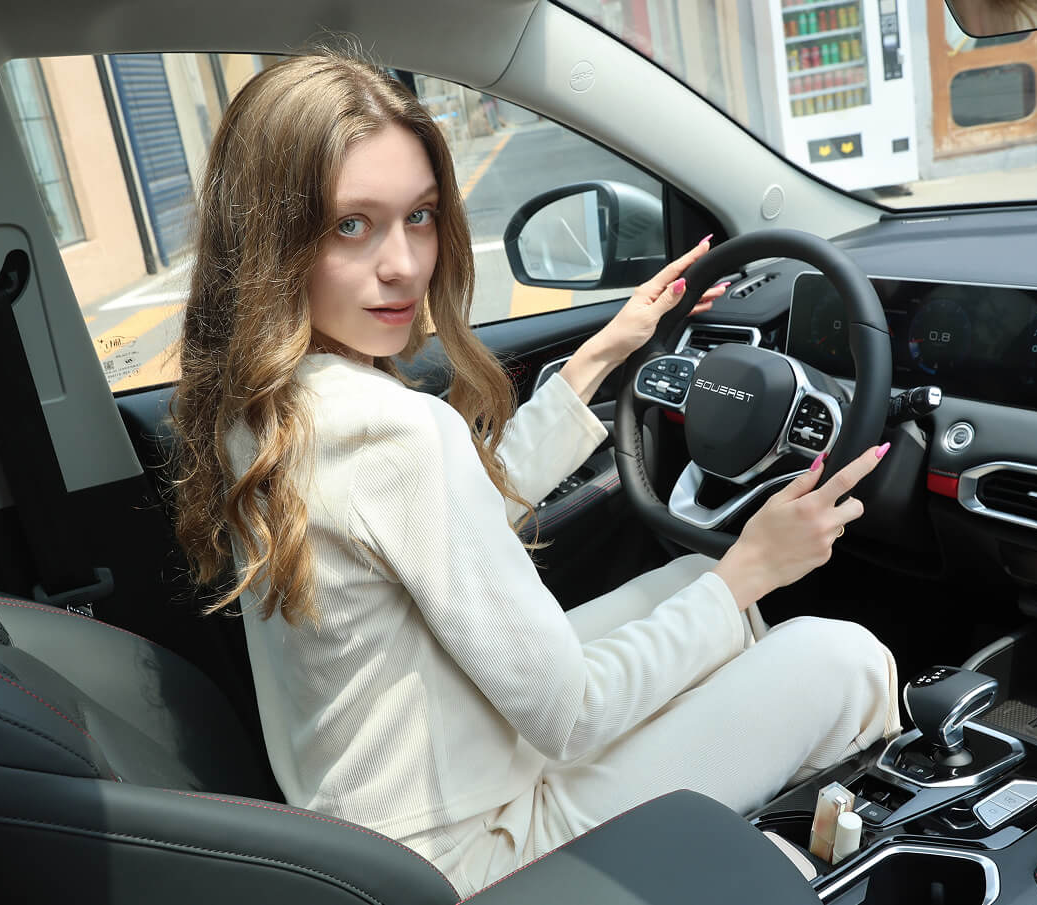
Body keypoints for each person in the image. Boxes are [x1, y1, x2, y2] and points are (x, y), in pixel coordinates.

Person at [169, 47, 900, 897]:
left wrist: (602, 355)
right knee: (843, 657)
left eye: (419, 216)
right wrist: (755, 565)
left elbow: (448, 524)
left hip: (379, 830)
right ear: (273, 238)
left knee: (693, 584)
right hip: (484, 853)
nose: (404, 264)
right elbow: (573, 714)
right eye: (351, 226)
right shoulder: (396, 432)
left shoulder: (265, 403)